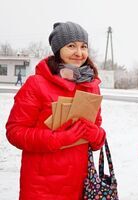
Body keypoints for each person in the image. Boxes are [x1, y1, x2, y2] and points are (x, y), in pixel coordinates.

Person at [6, 21, 106, 200]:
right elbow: (15, 132)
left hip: (79, 186)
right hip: (41, 187)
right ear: (58, 49)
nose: (79, 52)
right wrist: (58, 139)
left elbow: (98, 138)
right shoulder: (36, 84)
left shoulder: (91, 86)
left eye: (84, 46)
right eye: (71, 46)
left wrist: (96, 134)